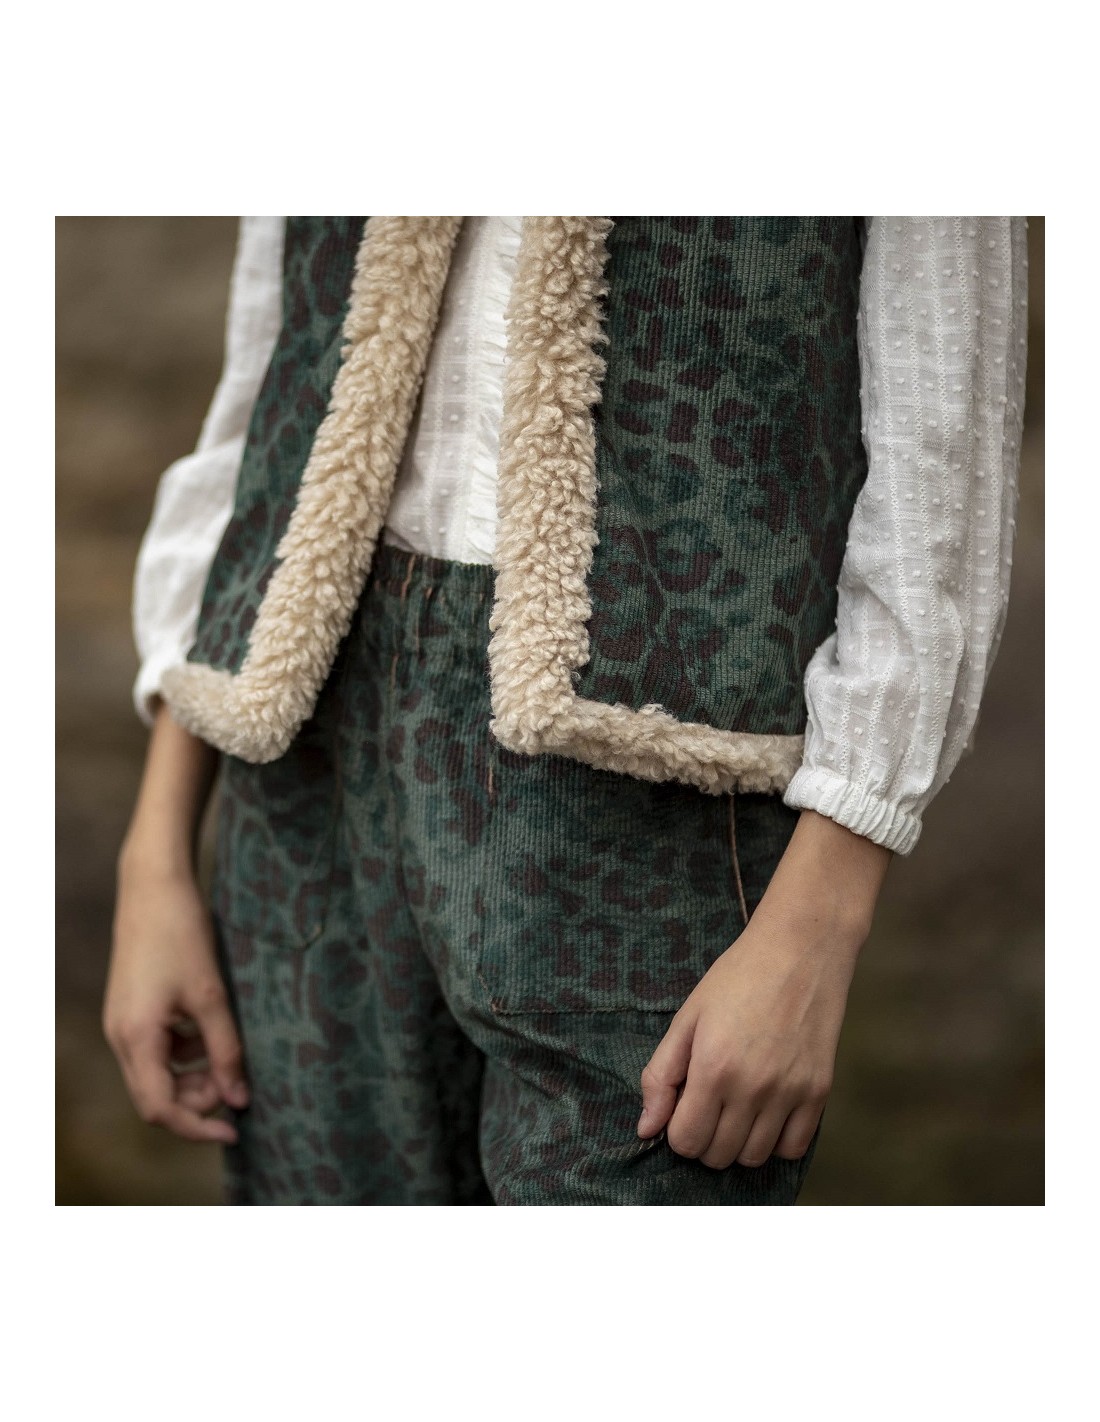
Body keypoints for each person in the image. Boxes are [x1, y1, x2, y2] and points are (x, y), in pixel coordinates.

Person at [104, 216, 1028, 1205]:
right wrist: (154, 859)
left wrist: (819, 928)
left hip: (648, 793)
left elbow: (938, 473)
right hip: (307, 768)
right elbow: (263, 405)